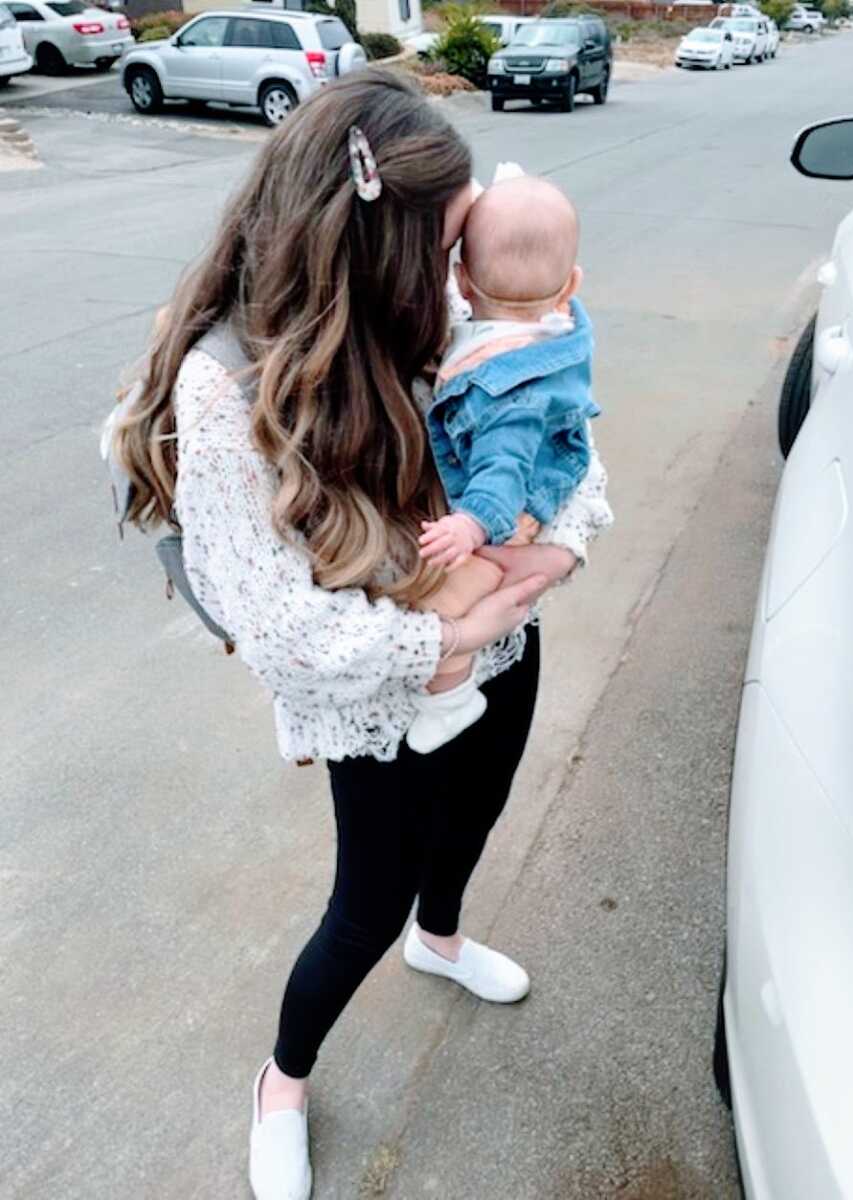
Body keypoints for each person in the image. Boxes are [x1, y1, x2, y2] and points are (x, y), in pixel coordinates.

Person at [110, 70, 612, 1200]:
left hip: (504, 647)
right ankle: (284, 1079)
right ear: (369, 244)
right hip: (381, 700)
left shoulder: (449, 314)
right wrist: (455, 632)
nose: (460, 274)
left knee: (476, 816)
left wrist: (557, 552)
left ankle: (444, 940)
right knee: (365, 903)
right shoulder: (224, 384)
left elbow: (562, 442)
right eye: (441, 249)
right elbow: (280, 626)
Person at [407, 175, 600, 754]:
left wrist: (470, 523)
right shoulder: (552, 328)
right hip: (532, 492)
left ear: (460, 281)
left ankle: (450, 698)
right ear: (571, 285)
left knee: (442, 605)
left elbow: (503, 471)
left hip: (508, 521)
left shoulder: (505, 390)